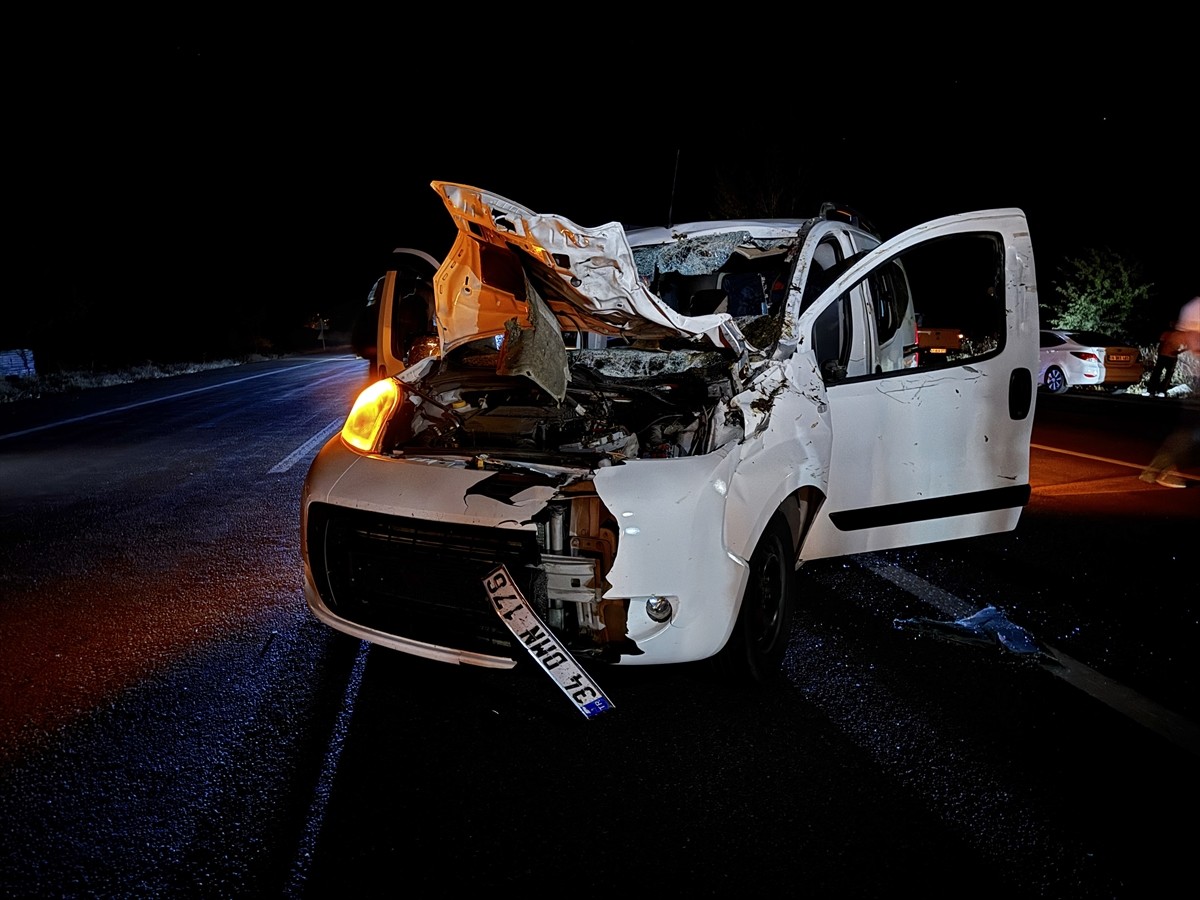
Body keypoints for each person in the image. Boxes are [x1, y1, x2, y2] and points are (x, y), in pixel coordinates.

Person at [1139, 296, 1200, 487]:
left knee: (1193, 430)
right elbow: (1189, 341)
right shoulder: (1195, 307)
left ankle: (1156, 470)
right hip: (1173, 361)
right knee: (1191, 431)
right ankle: (1159, 470)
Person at [1146, 327, 1184, 396]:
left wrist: (1179, 351)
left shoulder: (1180, 335)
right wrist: (1159, 353)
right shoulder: (1166, 333)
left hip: (1171, 357)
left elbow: (1187, 345)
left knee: (1167, 375)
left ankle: (1162, 390)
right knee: (1157, 373)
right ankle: (1152, 390)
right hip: (1163, 355)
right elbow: (1161, 343)